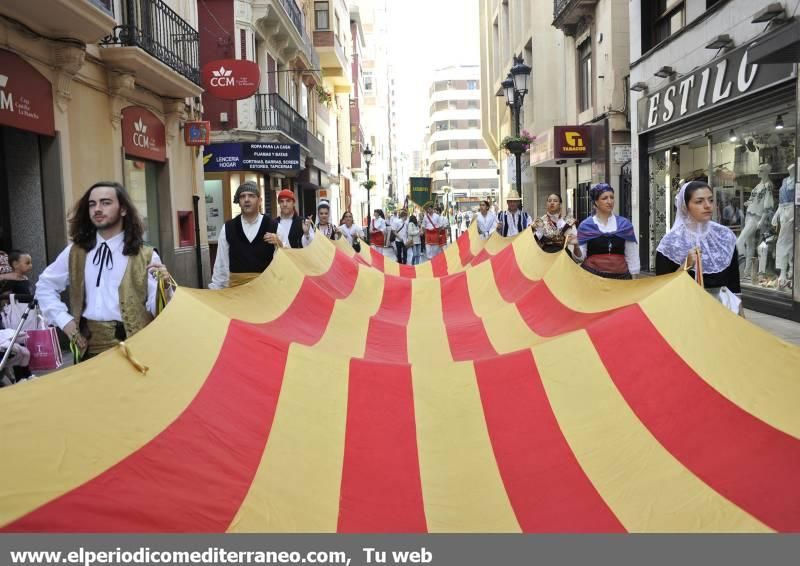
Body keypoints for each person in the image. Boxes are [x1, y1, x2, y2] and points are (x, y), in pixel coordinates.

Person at [36, 181, 171, 360]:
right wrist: (65, 322)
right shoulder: (75, 252)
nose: (97, 209)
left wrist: (166, 287)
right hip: (87, 349)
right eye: (92, 204)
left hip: (134, 349)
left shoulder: (145, 254)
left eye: (106, 202)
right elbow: (44, 286)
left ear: (123, 209)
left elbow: (159, 309)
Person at [656, 181, 741, 308]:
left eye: (711, 200)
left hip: (722, 310)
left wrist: (740, 316)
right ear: (685, 206)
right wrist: (685, 266)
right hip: (686, 310)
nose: (707, 206)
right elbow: (662, 288)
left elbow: (734, 283)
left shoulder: (725, 236)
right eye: (699, 201)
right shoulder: (671, 243)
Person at [209, 181, 275, 289]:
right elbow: (221, 263)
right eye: (242, 196)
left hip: (266, 291)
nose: (247, 199)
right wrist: (217, 289)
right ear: (239, 202)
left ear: (260, 200)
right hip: (237, 291)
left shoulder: (274, 226)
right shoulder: (228, 228)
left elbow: (285, 262)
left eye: (251, 196)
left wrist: (279, 245)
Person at [577, 183, 639, 279]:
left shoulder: (625, 225)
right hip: (592, 277)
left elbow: (632, 255)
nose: (609, 201)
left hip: (620, 278)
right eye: (604, 198)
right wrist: (575, 246)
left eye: (612, 197)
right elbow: (580, 257)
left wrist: (634, 278)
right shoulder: (586, 226)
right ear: (595, 202)